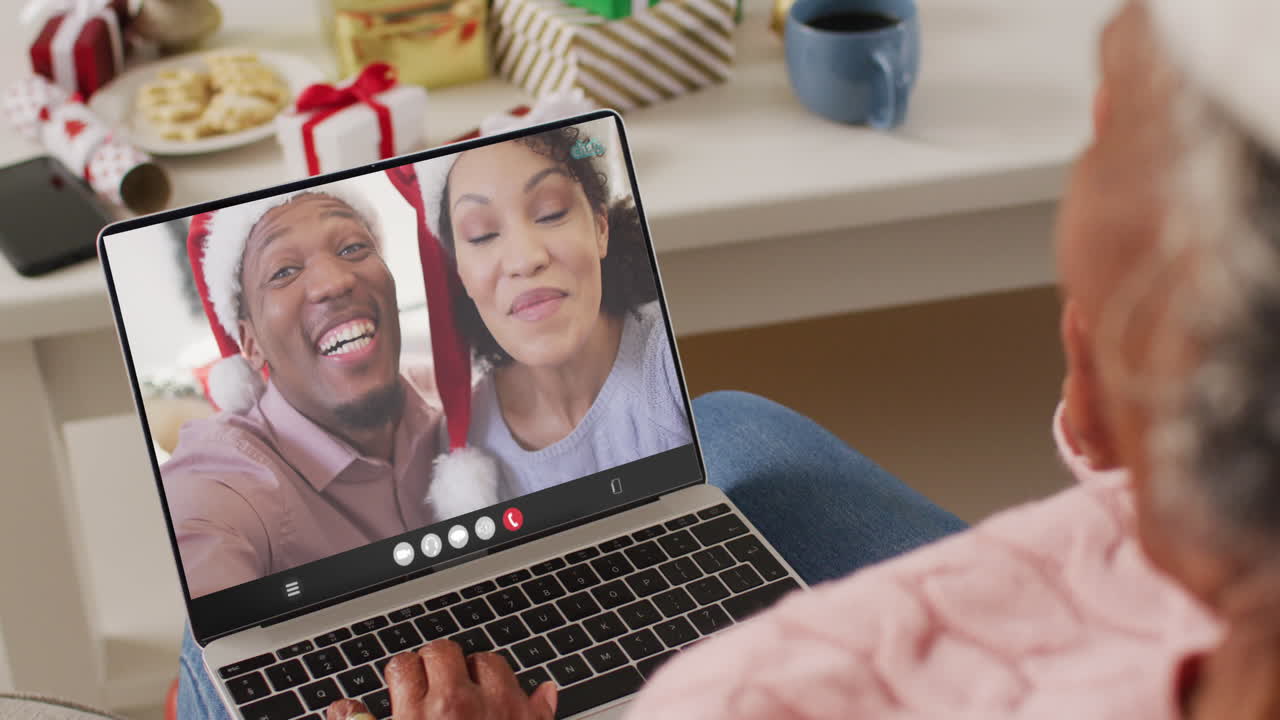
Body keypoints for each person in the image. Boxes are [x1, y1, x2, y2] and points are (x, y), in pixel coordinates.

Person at [297, 0, 1280, 718]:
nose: (520, 253)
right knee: (726, 427)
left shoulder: (738, 696)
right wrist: (1142, 444)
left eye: (1116, 120)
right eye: (476, 237)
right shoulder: (443, 428)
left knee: (219, 659)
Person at [165, 187, 498, 599]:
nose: (335, 282)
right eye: (284, 271)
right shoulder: (223, 477)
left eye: (354, 248)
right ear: (250, 344)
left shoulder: (470, 403)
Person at [411, 126, 694, 497]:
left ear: (600, 228)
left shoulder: (672, 362)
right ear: (461, 274)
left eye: (550, 213)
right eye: (481, 235)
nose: (525, 260)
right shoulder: (467, 444)